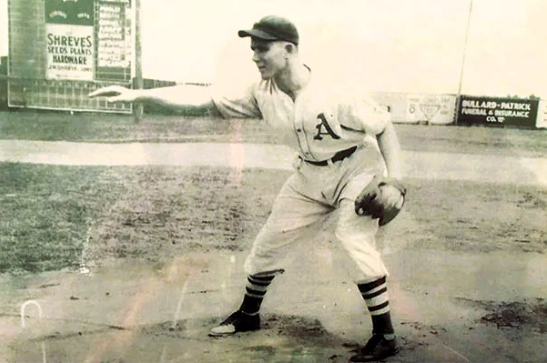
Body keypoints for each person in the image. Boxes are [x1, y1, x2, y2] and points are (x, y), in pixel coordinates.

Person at [90, 15, 404, 362]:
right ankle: (249, 314)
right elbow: (202, 98)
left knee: (351, 237)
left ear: (288, 50)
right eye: (253, 48)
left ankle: (385, 333)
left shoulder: (336, 91)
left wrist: (394, 181)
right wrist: (139, 93)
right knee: (269, 242)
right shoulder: (262, 93)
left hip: (357, 169)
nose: (255, 56)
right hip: (308, 176)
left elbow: (384, 128)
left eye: (262, 48)